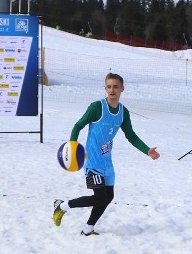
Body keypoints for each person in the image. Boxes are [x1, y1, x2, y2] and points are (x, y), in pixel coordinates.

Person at [53, 73, 160, 236]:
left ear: (122, 89)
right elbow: (78, 125)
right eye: (109, 86)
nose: (112, 90)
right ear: (105, 88)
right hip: (92, 162)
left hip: (107, 162)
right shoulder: (97, 107)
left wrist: (147, 150)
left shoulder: (123, 112)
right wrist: (73, 147)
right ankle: (61, 206)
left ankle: (88, 229)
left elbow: (131, 135)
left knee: (108, 196)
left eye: (116, 86)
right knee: (99, 198)